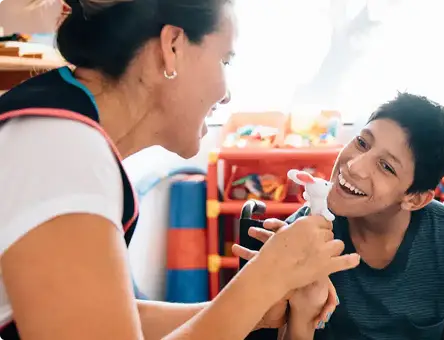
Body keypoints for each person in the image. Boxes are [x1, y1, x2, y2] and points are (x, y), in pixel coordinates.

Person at [0, 0, 360, 339]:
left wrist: (254, 309)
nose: (227, 94)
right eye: (225, 60)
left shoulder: (57, 127)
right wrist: (268, 275)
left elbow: (98, 318)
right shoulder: (66, 151)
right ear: (172, 46)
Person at [240, 93, 444, 339]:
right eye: (362, 143)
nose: (354, 166)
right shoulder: (303, 236)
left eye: (386, 167)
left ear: (415, 198)